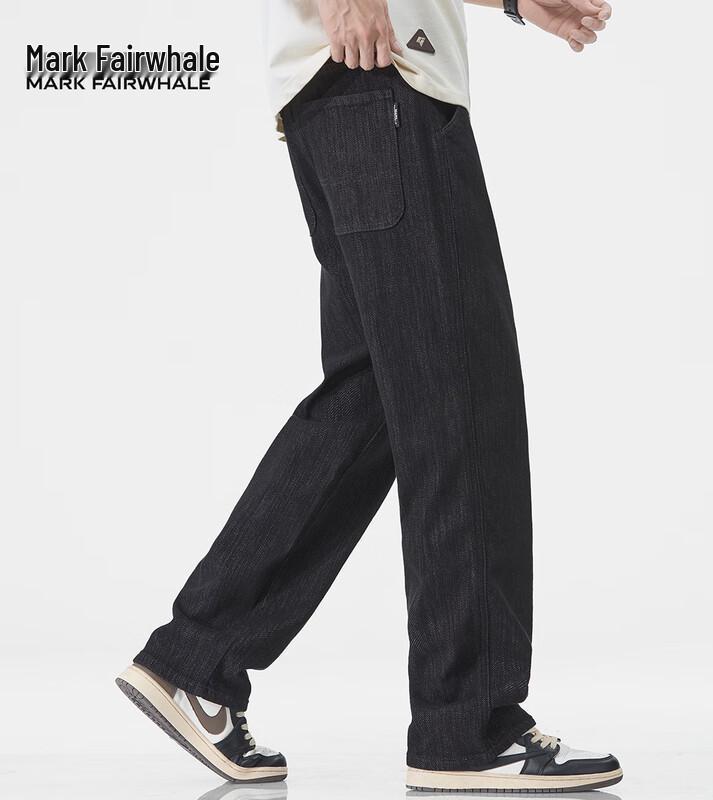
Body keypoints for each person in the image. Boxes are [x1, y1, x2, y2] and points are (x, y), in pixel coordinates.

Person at [117, 0, 622, 792]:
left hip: (362, 86)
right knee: (460, 399)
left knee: (381, 398)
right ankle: (466, 726)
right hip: (381, 75)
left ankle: (197, 659)